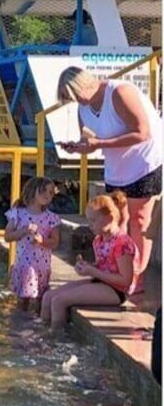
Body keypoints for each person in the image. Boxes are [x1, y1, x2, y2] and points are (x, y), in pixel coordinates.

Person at [56, 66, 162, 290]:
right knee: (117, 220)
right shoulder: (83, 109)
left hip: (144, 162)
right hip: (117, 167)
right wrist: (77, 147)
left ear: (82, 86)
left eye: (74, 96)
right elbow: (90, 143)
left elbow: (143, 132)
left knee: (139, 220)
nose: (77, 102)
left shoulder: (119, 92)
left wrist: (101, 144)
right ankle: (118, 271)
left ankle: (137, 277)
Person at [40, 192, 139, 333]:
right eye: (88, 220)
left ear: (109, 219)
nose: (89, 225)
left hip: (117, 291)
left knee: (59, 301)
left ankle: (56, 338)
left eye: (93, 220)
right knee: (48, 296)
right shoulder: (99, 240)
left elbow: (125, 281)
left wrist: (94, 272)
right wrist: (87, 266)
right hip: (101, 283)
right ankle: (42, 332)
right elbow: (102, 264)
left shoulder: (121, 244)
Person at [4, 177, 61, 313]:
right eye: (44, 191)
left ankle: (35, 323)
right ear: (32, 191)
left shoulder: (51, 218)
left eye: (51, 192)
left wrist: (42, 241)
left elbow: (55, 242)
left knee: (39, 300)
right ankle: (20, 323)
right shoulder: (18, 213)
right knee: (23, 300)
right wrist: (23, 231)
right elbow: (7, 236)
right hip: (24, 264)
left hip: (41, 267)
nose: (48, 195)